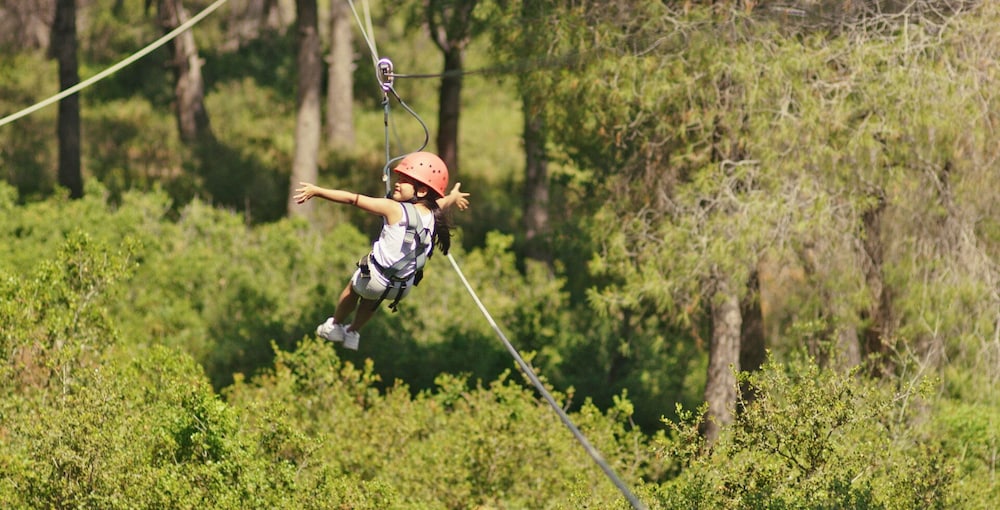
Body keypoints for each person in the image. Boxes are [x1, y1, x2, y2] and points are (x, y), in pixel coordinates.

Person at [292, 151, 470, 350]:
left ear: (421, 191)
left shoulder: (392, 208)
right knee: (372, 299)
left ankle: (334, 325)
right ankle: (352, 332)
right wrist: (454, 196)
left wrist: (317, 191)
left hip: (374, 279)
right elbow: (444, 202)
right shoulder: (433, 212)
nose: (397, 183)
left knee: (353, 290)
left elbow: (352, 199)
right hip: (402, 287)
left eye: (405, 181)